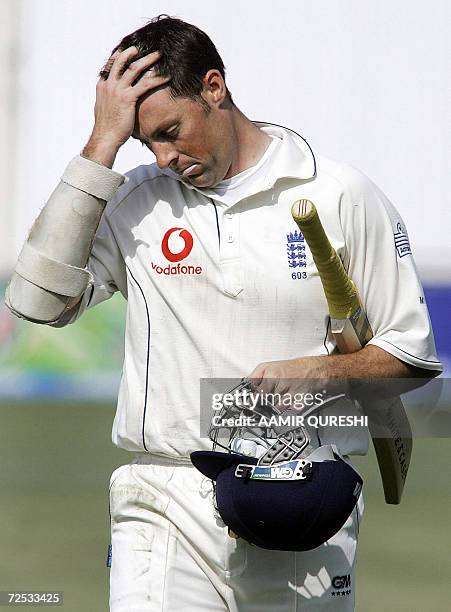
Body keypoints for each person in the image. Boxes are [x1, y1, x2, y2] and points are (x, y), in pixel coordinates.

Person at [5, 14, 442, 612]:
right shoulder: (134, 200)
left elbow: (412, 355)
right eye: (144, 142)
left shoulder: (340, 194)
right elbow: (34, 302)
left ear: (214, 87)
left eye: (170, 131)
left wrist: (317, 373)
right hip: (164, 501)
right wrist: (101, 145)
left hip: (303, 498)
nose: (162, 157)